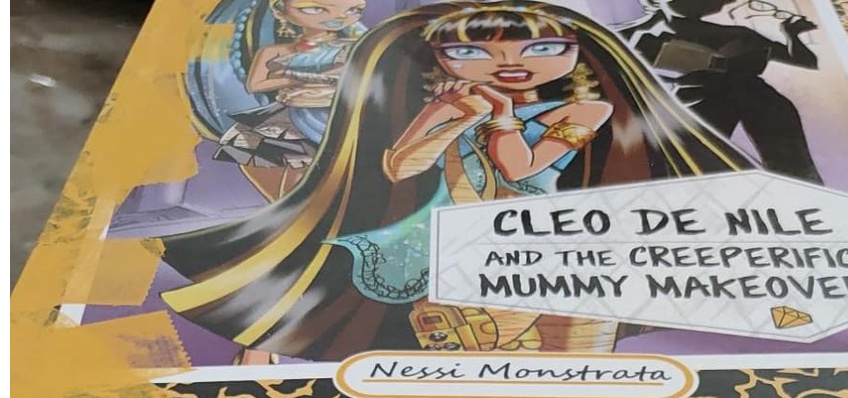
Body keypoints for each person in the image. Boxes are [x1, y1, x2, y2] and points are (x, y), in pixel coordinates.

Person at [161, 2, 752, 363]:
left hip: (553, 247)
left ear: (577, 52)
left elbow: (521, 169)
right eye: (470, 51)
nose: (510, 62)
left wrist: (498, 115)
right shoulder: (450, 103)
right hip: (449, 247)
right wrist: (454, 117)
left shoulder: (586, 109)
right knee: (470, 352)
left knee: (570, 364)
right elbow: (400, 166)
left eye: (545, 47)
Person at [624, 0, 822, 182]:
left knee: (751, 90)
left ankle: (799, 183)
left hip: (746, 101)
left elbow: (806, 61)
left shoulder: (739, 35)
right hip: (683, 108)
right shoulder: (641, 34)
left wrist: (791, 35)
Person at [202, 0, 368, 201]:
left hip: (338, 113)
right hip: (294, 111)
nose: (339, 16)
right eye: (314, 8)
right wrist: (298, 78)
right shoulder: (275, 52)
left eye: (353, 10)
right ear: (280, 10)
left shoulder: (355, 48)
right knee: (261, 158)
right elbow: (255, 84)